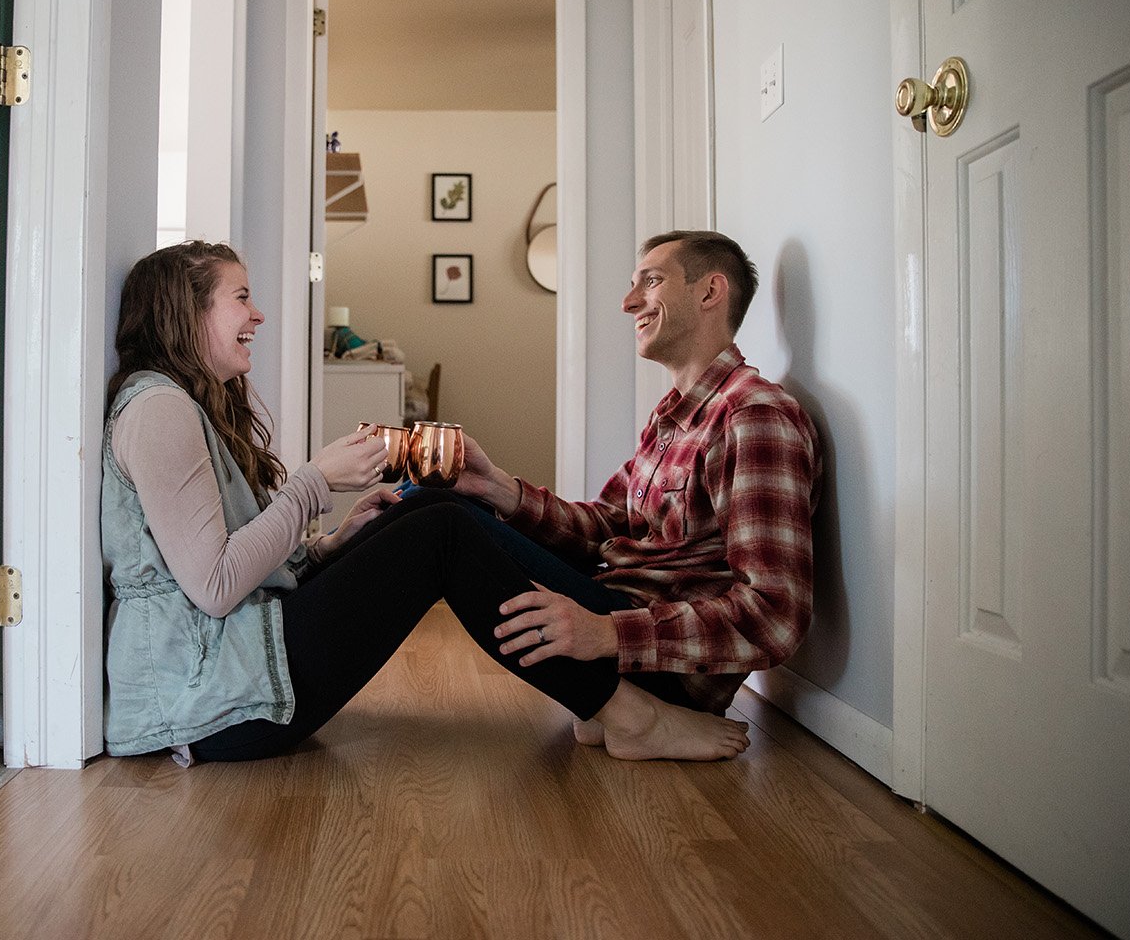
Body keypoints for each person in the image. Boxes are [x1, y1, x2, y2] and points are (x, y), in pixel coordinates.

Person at [102, 240, 753, 766]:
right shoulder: (160, 410)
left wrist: (336, 540)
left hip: (233, 666)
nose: (259, 314)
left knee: (427, 503)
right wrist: (314, 483)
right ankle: (623, 710)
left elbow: (224, 573)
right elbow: (216, 586)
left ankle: (608, 701)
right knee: (443, 533)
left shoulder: (177, 406)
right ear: (188, 313)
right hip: (214, 706)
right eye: (241, 296)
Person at [441, 229, 822, 745]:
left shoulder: (754, 417)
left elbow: (775, 614)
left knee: (441, 526)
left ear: (710, 293)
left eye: (652, 281)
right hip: (616, 616)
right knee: (443, 500)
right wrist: (498, 488)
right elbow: (604, 524)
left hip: (658, 661)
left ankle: (639, 715)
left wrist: (606, 634)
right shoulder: (673, 417)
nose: (628, 302)